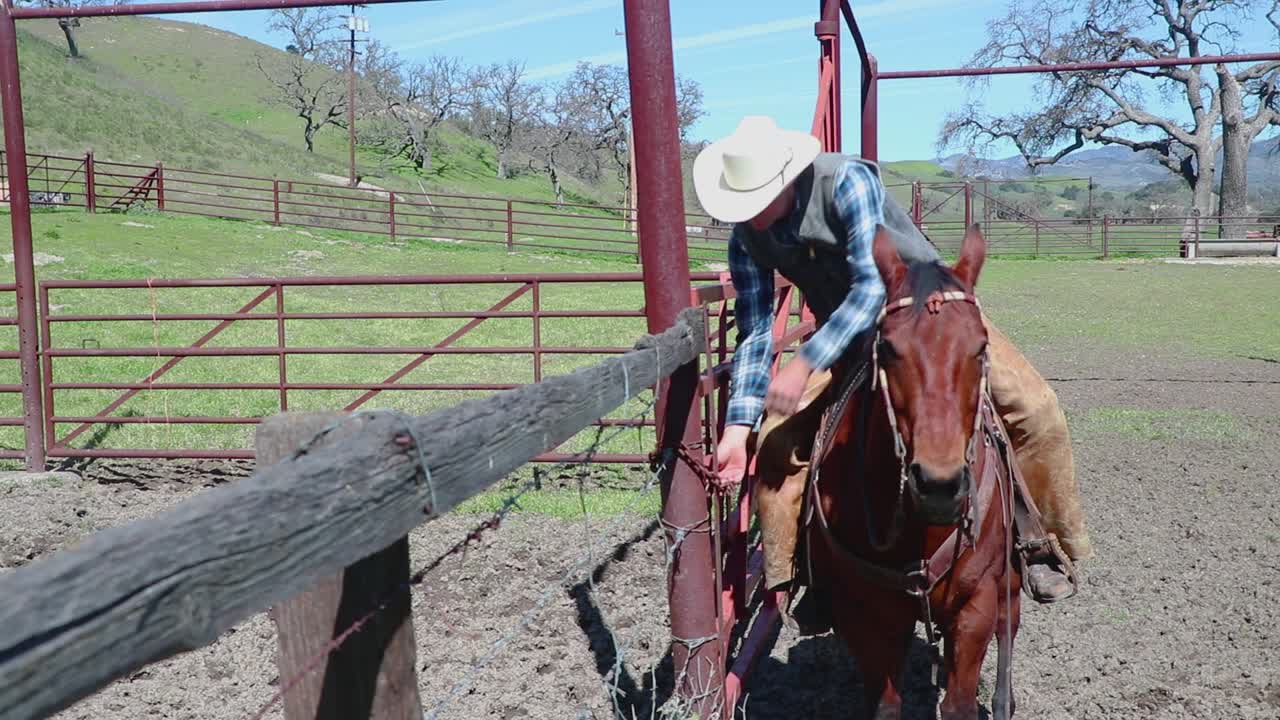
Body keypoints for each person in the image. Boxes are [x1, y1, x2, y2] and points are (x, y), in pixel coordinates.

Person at [691, 116, 1092, 631]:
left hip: (931, 311)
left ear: (787, 179)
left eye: (759, 200)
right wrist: (736, 429)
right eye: (742, 207)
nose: (752, 217)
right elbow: (753, 332)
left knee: (1037, 411)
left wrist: (804, 364)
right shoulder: (747, 238)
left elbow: (869, 289)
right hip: (847, 331)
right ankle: (802, 571)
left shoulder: (846, 182)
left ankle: (1044, 543)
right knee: (774, 444)